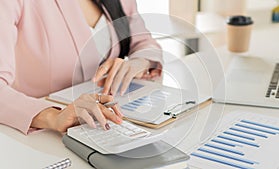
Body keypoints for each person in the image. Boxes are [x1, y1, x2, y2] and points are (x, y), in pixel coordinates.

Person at [0, 0, 163, 134]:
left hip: (116, 124)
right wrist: (53, 116)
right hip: (46, 135)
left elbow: (144, 43)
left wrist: (139, 62)